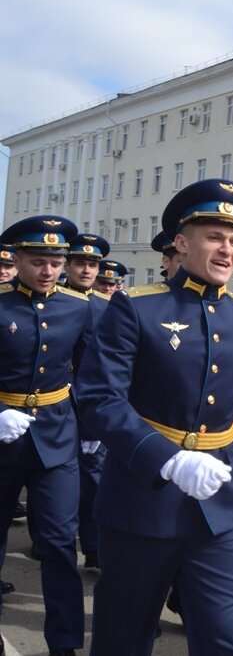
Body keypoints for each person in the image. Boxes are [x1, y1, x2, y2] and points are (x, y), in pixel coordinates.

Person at [75, 179, 233, 655]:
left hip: (221, 505)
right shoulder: (137, 307)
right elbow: (99, 397)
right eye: (214, 237)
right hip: (143, 502)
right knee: (125, 637)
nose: (226, 250)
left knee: (227, 639)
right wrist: (168, 459)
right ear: (182, 243)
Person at [0, 215, 92, 656]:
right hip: (1, 439)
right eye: (37, 261)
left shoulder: (78, 307)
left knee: (58, 543)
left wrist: (94, 428)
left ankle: (64, 642)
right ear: (16, 260)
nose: (48, 271)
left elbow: (91, 371)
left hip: (56, 438)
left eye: (55, 262)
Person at [63, 233, 112, 571]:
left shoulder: (106, 307)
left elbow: (105, 365)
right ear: (68, 265)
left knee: (93, 481)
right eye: (79, 262)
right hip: (54, 403)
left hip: (86, 405)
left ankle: (93, 549)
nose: (86, 269)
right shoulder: (54, 299)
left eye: (92, 264)